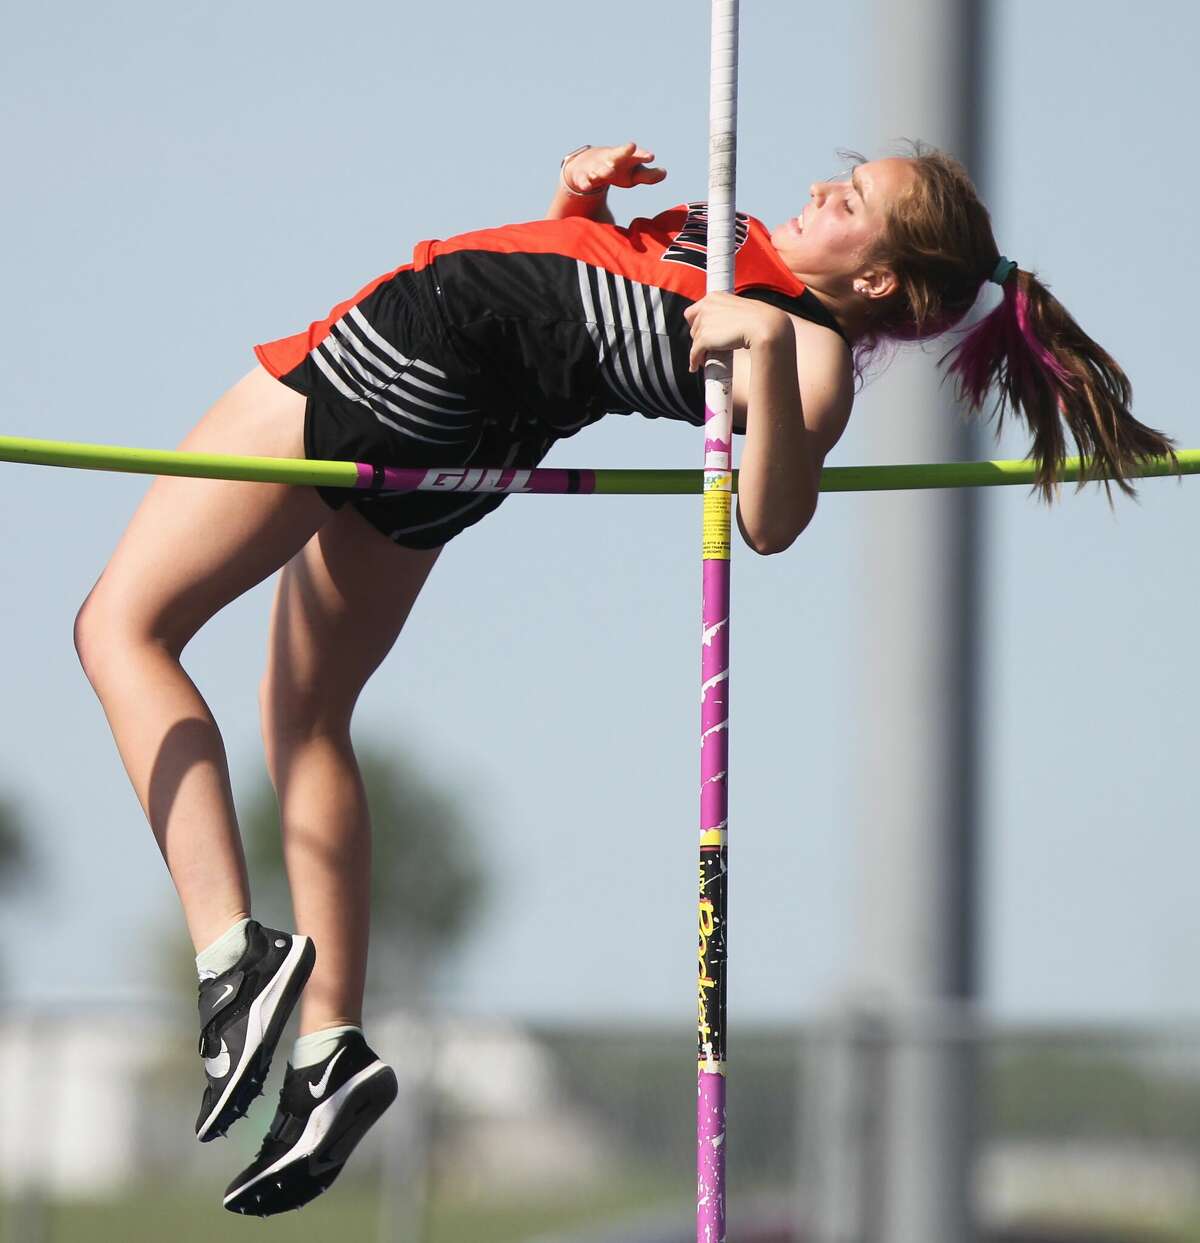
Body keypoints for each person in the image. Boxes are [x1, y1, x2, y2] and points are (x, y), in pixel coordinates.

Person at [71, 140, 1174, 1216]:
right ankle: (331, 1048)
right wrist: (574, 211)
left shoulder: (808, 346)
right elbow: (584, 310)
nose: (817, 188)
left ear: (876, 278)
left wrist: (767, 351)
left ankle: (232, 958)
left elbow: (773, 519)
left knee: (120, 627)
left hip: (416, 342)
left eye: (848, 198)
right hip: (474, 426)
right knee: (310, 719)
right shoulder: (746, 249)